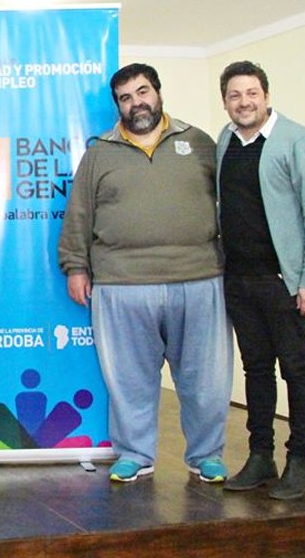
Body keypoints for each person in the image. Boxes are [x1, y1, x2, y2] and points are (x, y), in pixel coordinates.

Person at [58, 63, 232, 483]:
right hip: (122, 284)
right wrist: (75, 266)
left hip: (199, 278)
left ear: (158, 92)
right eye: (126, 98)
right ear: (118, 105)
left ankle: (206, 455)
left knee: (206, 380)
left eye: (142, 92)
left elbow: (232, 203)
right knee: (129, 380)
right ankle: (135, 454)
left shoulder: (199, 142)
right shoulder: (99, 153)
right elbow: (79, 213)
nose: (136, 103)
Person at [216, 61, 305, 500]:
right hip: (239, 280)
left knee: (297, 370)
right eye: (234, 95)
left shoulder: (298, 141)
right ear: (225, 101)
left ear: (266, 95)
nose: (244, 102)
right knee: (256, 370)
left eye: (252, 93)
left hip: (284, 283)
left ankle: (299, 462)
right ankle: (261, 455)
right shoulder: (226, 140)